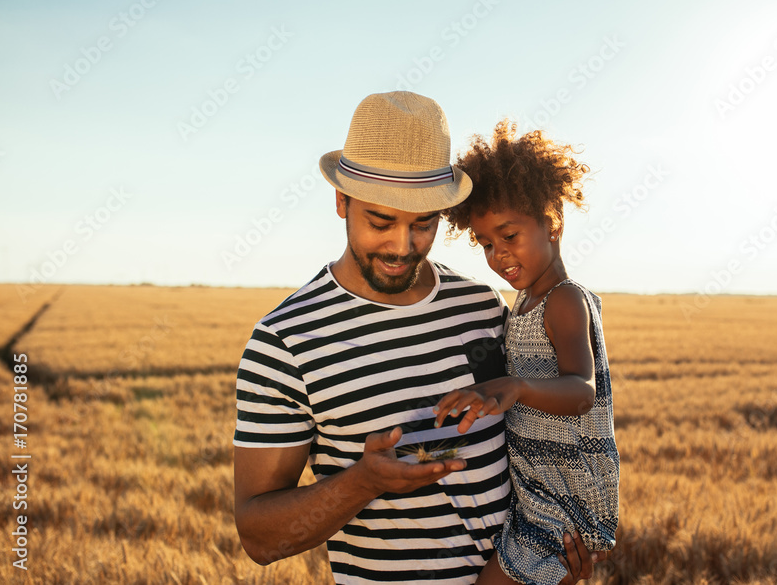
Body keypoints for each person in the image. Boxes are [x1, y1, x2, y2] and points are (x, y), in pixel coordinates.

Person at [232, 92, 604, 585]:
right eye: (381, 222)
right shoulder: (285, 342)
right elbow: (259, 539)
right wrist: (364, 482)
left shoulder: (482, 309)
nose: (402, 247)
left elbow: (519, 438)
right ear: (341, 200)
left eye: (423, 224)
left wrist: (549, 559)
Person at [434, 120, 620, 585]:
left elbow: (582, 390)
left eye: (509, 236)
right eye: (486, 244)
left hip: (566, 498)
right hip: (538, 491)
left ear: (551, 220)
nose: (498, 255)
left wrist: (515, 387)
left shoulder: (563, 298)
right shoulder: (525, 300)